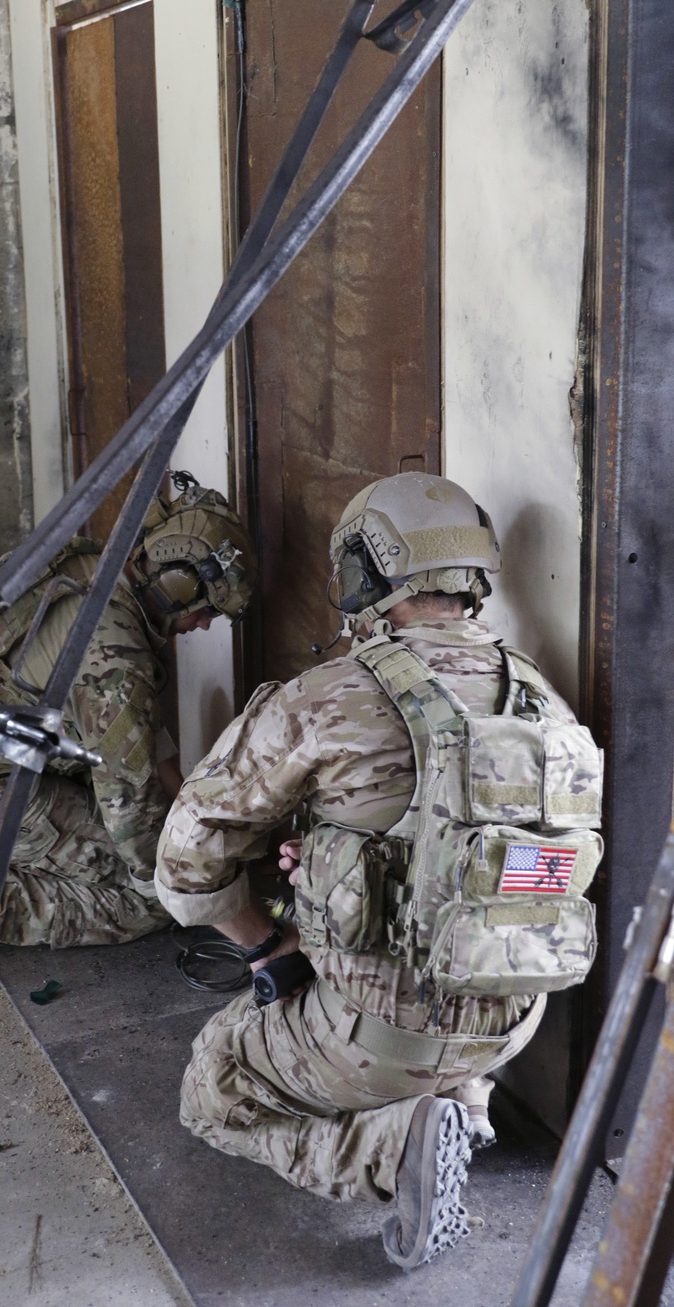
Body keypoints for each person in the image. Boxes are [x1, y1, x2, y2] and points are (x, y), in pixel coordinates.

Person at [154, 472, 603, 1270]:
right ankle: (456, 1109)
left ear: (367, 573)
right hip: (511, 1025)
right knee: (426, 1032)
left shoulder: (329, 696)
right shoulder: (547, 702)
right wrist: (331, 858)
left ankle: (392, 1153)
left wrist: (266, 944)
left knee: (211, 1084)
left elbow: (186, 856)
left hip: (376, 1035)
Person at [0, 472, 257, 976]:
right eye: (206, 610)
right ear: (178, 584)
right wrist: (228, 910)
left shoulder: (87, 561)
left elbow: (147, 748)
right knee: (156, 899)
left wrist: (195, 816)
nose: (202, 625)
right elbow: (134, 823)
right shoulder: (115, 652)